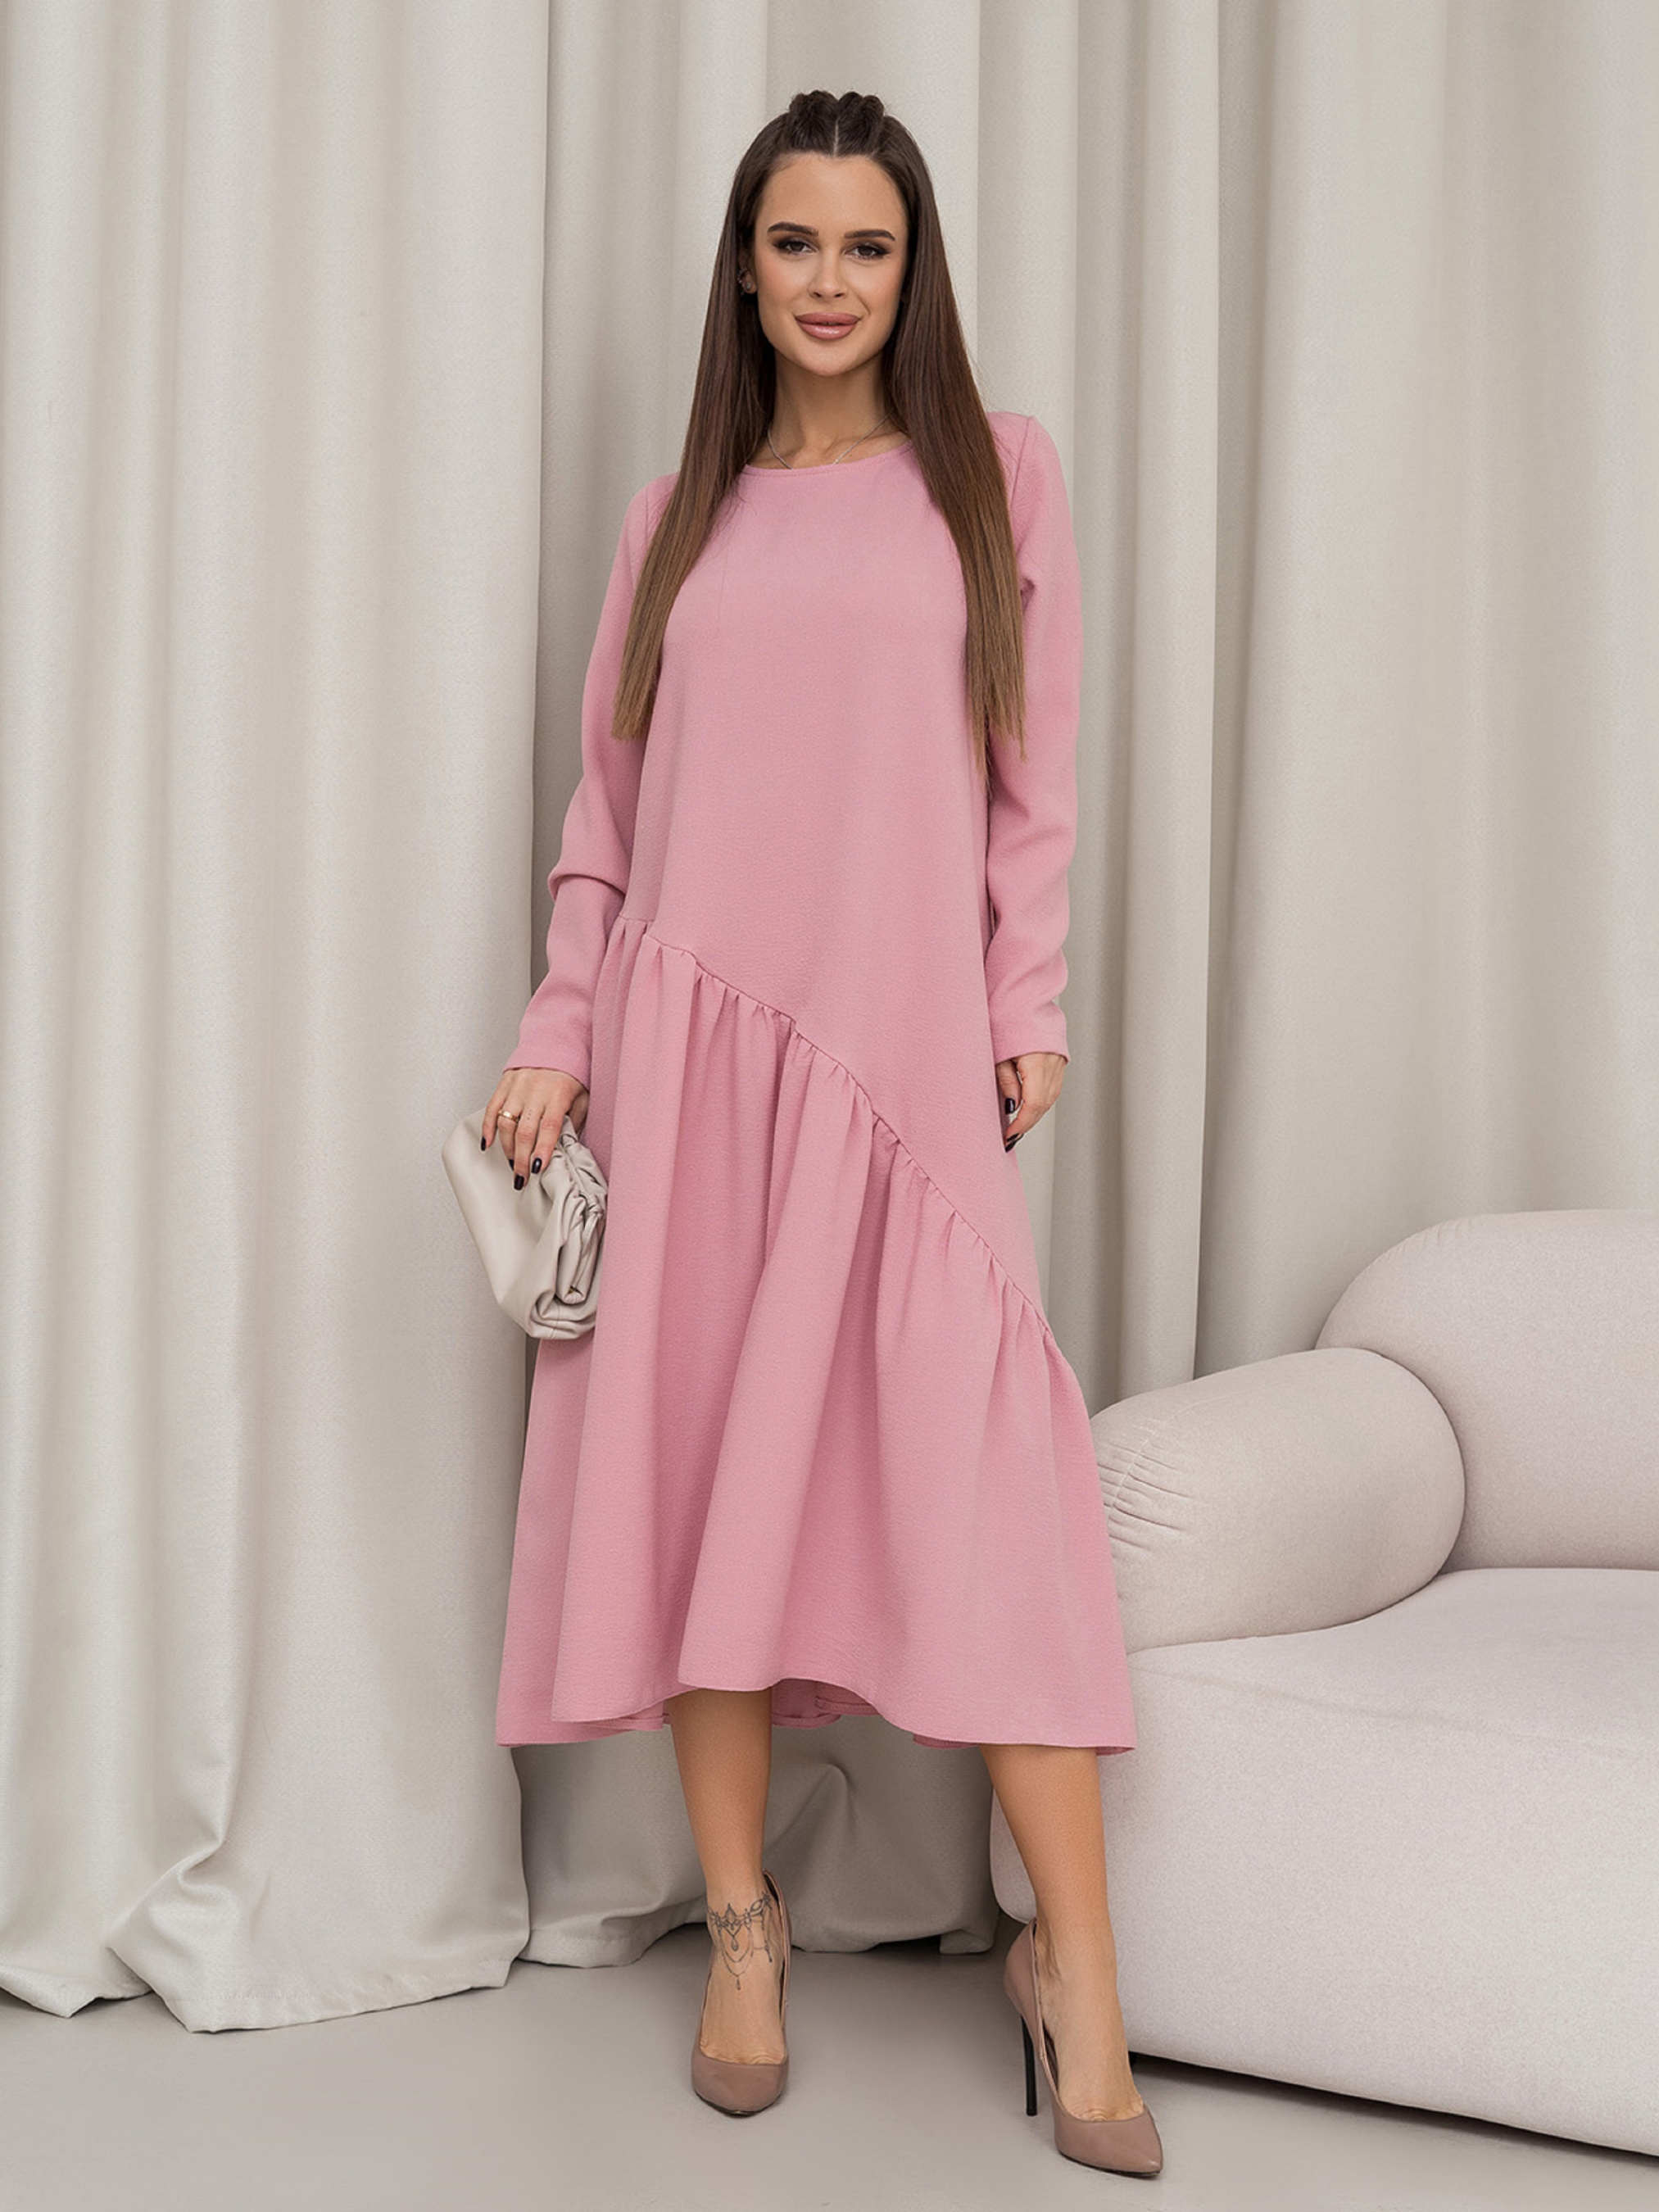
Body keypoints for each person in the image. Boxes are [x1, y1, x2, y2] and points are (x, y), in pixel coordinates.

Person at [481, 89, 1161, 2177]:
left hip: (895, 1059)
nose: (830, 281)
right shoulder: (673, 517)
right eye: (794, 243)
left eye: (867, 245)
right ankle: (743, 1932)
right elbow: (605, 815)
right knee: (709, 1483)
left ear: (911, 267)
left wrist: (1023, 1006)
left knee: (991, 1503)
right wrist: (558, 1032)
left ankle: (1078, 1977)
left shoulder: (994, 476)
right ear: (744, 266)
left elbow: (1029, 779)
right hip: (688, 1054)